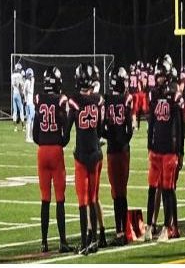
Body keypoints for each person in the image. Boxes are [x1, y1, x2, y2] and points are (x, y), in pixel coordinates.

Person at [33, 66, 74, 253]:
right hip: (56, 151)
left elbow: (34, 133)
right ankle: (63, 241)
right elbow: (65, 130)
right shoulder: (61, 100)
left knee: (44, 199)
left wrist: (44, 142)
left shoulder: (39, 99)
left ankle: (43, 242)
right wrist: (61, 141)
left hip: (42, 151)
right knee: (60, 199)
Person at [67, 63, 104, 254]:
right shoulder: (98, 100)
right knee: (93, 198)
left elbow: (66, 131)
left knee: (83, 200)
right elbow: (100, 129)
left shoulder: (74, 101)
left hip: (82, 155)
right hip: (96, 153)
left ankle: (84, 241)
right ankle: (95, 239)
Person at [145, 60, 182, 241]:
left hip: (169, 149)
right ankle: (149, 225)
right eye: (157, 75)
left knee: (168, 189)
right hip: (156, 149)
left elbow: (179, 125)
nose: (159, 79)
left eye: (161, 75)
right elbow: (151, 122)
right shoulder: (153, 95)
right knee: (152, 188)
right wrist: (148, 145)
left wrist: (179, 151)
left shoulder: (174, 95)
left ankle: (168, 227)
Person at [101, 67, 133, 246]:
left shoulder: (106, 100)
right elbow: (130, 129)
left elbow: (102, 128)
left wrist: (110, 137)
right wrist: (123, 141)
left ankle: (120, 230)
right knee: (122, 191)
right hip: (123, 149)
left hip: (113, 150)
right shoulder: (126, 99)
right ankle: (123, 230)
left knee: (116, 192)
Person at [11, 63, 26, 132]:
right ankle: (23, 127)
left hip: (14, 93)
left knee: (15, 111)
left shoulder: (12, 75)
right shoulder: (19, 75)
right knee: (21, 110)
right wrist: (22, 94)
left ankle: (15, 127)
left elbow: (13, 86)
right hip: (18, 94)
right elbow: (20, 85)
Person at [25, 68, 36, 143]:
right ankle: (28, 136)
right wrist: (32, 83)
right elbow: (30, 91)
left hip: (29, 102)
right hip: (29, 103)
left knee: (31, 120)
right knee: (30, 120)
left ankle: (30, 136)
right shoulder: (28, 82)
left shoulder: (27, 81)